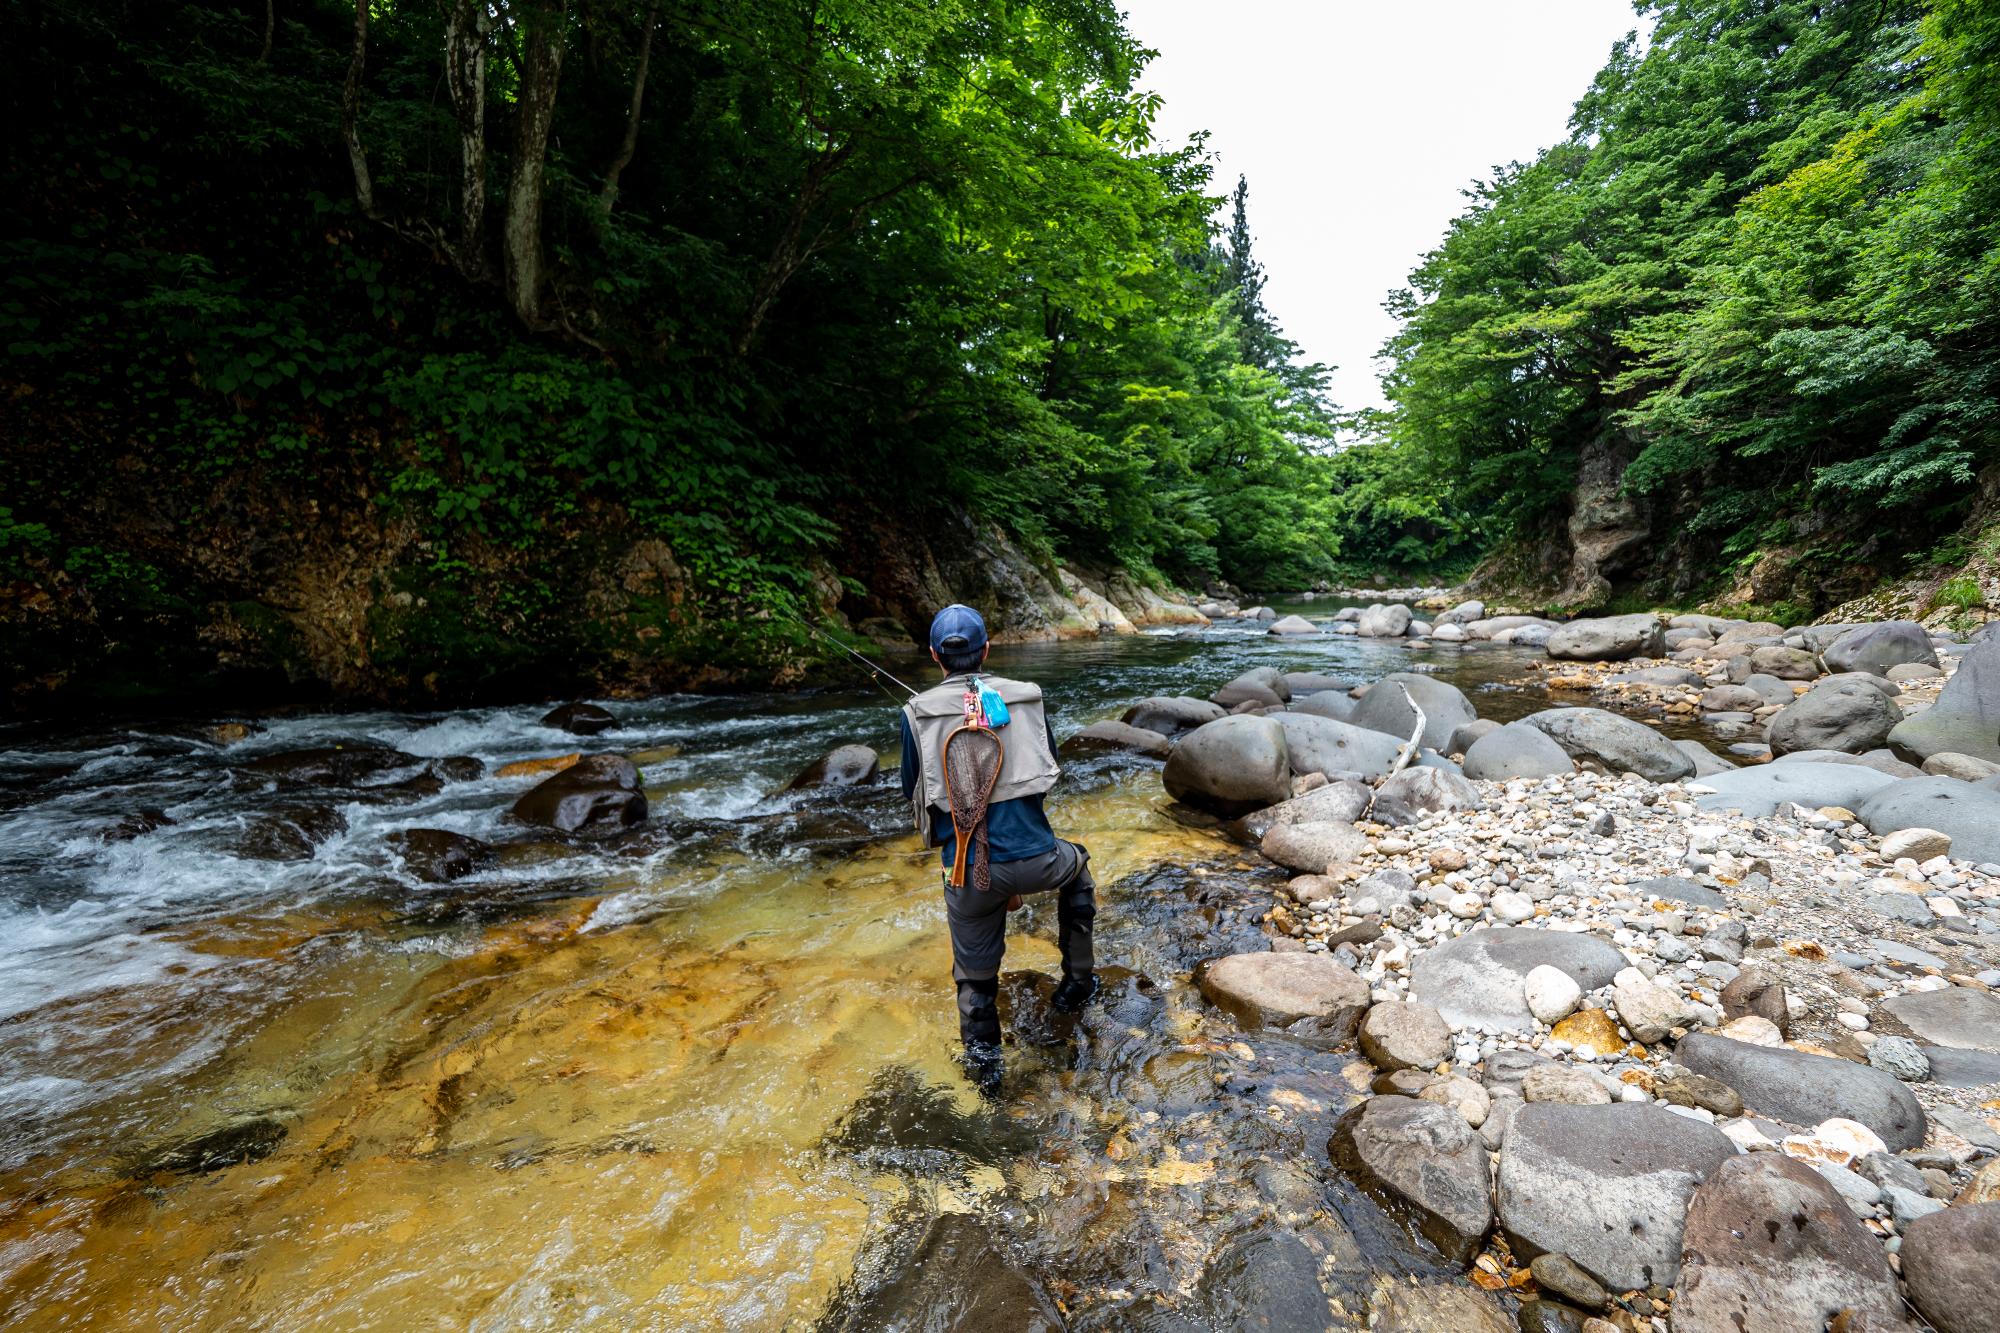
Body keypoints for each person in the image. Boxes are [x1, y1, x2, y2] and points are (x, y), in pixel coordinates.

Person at [899, 603, 1097, 1092]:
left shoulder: (915, 714)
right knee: (1079, 865)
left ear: (934, 656)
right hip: (1041, 863)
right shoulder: (1029, 699)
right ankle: (1077, 985)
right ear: (987, 650)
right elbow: (1047, 773)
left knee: (973, 978)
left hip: (968, 874)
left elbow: (913, 792)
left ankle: (986, 1075)